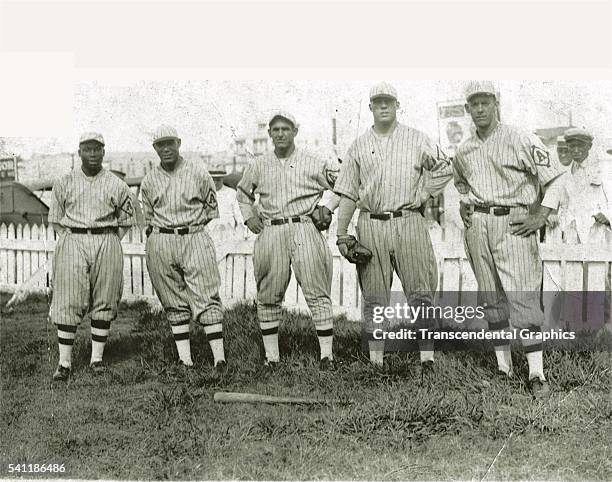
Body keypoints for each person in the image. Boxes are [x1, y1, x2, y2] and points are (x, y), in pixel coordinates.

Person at [453, 81, 566, 398]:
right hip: (479, 224)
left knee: (523, 295)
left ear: (496, 103)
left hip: (513, 221)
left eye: (485, 102)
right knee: (491, 298)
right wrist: (465, 206)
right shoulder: (464, 149)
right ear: (467, 109)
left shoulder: (520, 137)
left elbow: (555, 179)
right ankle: (504, 369)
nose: (480, 109)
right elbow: (460, 184)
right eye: (474, 104)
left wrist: (541, 215)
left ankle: (537, 374)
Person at [333, 82, 453, 374]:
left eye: (389, 101)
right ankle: (377, 362)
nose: (383, 106)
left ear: (398, 105)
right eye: (378, 101)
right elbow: (348, 192)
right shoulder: (359, 145)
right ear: (370, 107)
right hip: (371, 222)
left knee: (421, 292)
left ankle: (427, 360)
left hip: (408, 219)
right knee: (375, 297)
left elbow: (445, 167)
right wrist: (342, 233)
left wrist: (425, 193)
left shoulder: (415, 138)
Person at [236, 111, 340, 370]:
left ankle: (326, 355)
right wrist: (249, 217)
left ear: (295, 131)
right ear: (270, 133)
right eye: (276, 129)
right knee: (269, 293)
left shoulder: (313, 161)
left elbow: (341, 185)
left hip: (304, 226)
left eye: (286, 128)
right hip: (271, 229)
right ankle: (272, 357)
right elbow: (242, 193)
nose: (281, 133)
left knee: (316, 290)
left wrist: (326, 207)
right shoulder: (258, 164)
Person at [49, 132, 136, 381]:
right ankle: (64, 363)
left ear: (104, 152)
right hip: (73, 237)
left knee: (105, 297)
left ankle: (96, 359)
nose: (93, 154)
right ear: (79, 153)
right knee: (67, 298)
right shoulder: (64, 181)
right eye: (88, 149)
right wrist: (70, 239)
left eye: (97, 149)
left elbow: (127, 220)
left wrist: (109, 239)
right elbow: (55, 220)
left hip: (106, 236)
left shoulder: (117, 184)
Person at [141, 125, 226, 371]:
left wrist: (190, 228)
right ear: (155, 148)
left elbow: (211, 211)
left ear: (179, 143)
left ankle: (219, 359)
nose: (165, 149)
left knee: (206, 295)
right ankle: (185, 360)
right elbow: (148, 216)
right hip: (161, 239)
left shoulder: (198, 172)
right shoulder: (149, 179)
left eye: (170, 143)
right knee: (173, 300)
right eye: (160, 144)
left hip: (194, 236)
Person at [207, 167, 246, 239]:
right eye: (213, 180)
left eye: (218, 180)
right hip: (211, 233)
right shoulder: (205, 194)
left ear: (222, 178)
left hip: (228, 233)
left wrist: (241, 228)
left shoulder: (231, 193)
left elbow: (239, 214)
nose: (215, 182)